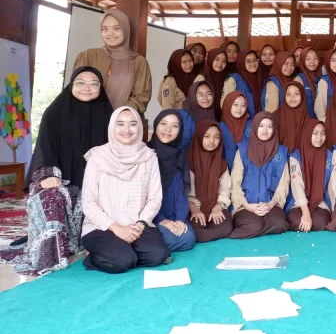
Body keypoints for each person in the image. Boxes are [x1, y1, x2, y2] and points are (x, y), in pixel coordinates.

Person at [0, 67, 113, 276]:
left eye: (93, 84)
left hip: (96, 180)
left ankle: (88, 241)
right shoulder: (55, 112)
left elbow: (115, 151)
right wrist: (49, 175)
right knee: (51, 196)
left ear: (100, 88)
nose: (86, 88)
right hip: (58, 177)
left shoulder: (109, 115)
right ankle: (50, 253)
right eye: (80, 82)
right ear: (71, 85)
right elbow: (45, 147)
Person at [81, 107, 169, 274]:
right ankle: (94, 257)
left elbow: (155, 198)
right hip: (102, 227)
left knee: (158, 255)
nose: (127, 129)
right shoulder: (98, 156)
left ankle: (121, 254)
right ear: (112, 127)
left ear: (139, 127)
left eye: (133, 124)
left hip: (137, 225)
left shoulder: (149, 156)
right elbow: (88, 202)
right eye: (120, 124)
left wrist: (141, 224)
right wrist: (117, 228)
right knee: (122, 260)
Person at [74, 9, 151, 114]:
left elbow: (142, 96)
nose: (110, 33)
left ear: (125, 29)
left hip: (121, 120)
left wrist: (117, 115)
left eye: (116, 28)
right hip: (87, 116)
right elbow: (77, 88)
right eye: (105, 29)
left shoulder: (138, 62)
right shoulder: (88, 56)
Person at [229, 112, 290, 238]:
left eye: (269, 126)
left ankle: (254, 230)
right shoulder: (243, 151)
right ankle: (256, 227)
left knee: (279, 224)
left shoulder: (281, 153)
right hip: (246, 204)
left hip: (270, 204)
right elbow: (235, 184)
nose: (265, 130)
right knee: (253, 225)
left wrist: (270, 204)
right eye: (261, 126)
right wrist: (247, 206)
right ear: (255, 127)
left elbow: (282, 186)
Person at [147, 110, 196, 252]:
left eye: (175, 126)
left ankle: (149, 246)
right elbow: (142, 196)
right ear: (156, 125)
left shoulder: (179, 155)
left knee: (188, 238)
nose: (168, 130)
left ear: (180, 131)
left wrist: (180, 219)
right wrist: (161, 220)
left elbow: (181, 194)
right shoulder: (145, 153)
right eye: (163, 124)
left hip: (172, 216)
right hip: (150, 217)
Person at [187, 120, 234, 242]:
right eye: (207, 136)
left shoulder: (221, 163)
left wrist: (218, 206)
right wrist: (194, 209)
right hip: (194, 208)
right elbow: (182, 192)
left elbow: (225, 188)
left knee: (226, 227)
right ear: (199, 137)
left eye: (216, 137)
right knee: (194, 230)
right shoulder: (188, 161)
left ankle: (204, 236)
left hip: (215, 207)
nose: (212, 141)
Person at [286, 120, 333, 232]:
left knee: (320, 222)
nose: (319, 137)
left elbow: (332, 185)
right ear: (307, 134)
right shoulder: (296, 156)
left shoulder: (330, 156)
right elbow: (297, 186)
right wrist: (306, 213)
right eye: (315, 133)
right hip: (298, 203)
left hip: (320, 202)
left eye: (323, 133)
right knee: (296, 221)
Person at [177, 81, 216, 152]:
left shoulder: (213, 117)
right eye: (200, 95)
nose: (205, 97)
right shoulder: (182, 117)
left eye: (209, 94)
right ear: (193, 96)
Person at [221, 49, 260, 118]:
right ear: (241, 62)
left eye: (255, 60)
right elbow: (224, 104)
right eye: (248, 61)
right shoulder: (234, 79)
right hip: (239, 120)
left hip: (257, 120)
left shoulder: (259, 78)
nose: (252, 63)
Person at [219, 91, 251, 172]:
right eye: (235, 104)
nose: (239, 109)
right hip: (226, 172)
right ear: (228, 105)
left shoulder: (251, 125)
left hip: (248, 171)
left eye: (243, 105)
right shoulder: (220, 128)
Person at [274, 81, 310, 152]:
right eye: (288, 94)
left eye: (296, 94)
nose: (292, 98)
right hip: (280, 157)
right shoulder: (275, 117)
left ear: (302, 96)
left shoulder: (308, 121)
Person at [315, 49, 336, 122]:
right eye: (333, 60)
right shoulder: (324, 81)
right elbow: (319, 110)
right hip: (330, 123)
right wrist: (328, 124)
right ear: (328, 62)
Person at [196, 48, 227, 120]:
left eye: (224, 61)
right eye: (217, 59)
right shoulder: (202, 78)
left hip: (221, 118)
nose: (220, 63)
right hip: (204, 117)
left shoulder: (225, 78)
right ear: (210, 59)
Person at [295, 47, 321, 118]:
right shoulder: (299, 79)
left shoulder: (322, 77)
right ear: (303, 60)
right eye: (308, 59)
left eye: (315, 58)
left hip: (321, 119)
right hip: (306, 119)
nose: (312, 62)